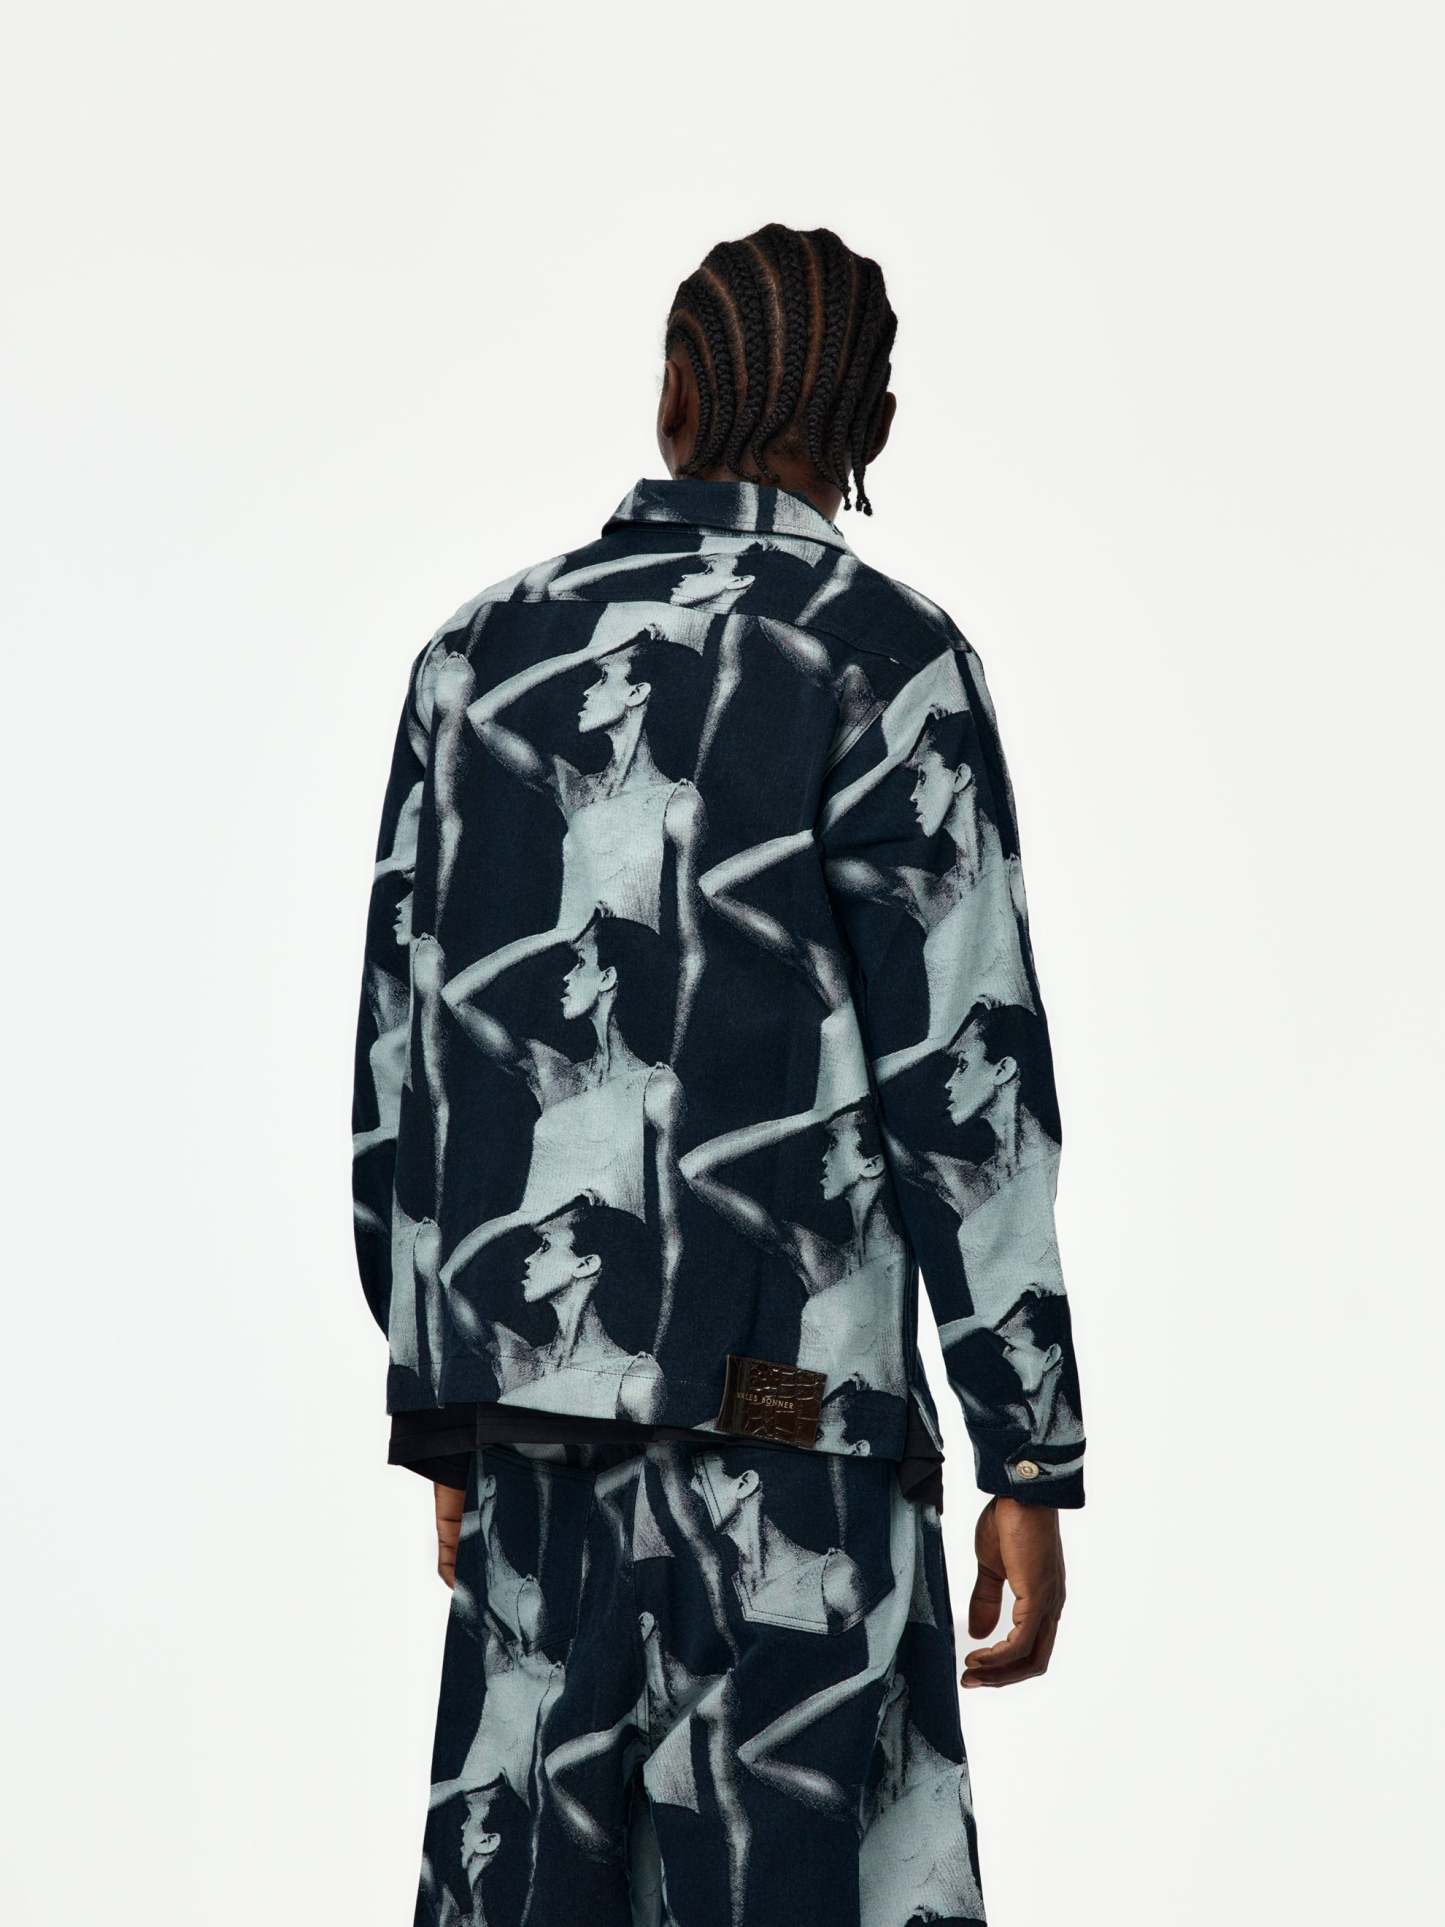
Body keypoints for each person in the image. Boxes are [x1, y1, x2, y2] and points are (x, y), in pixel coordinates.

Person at [349, 221, 1088, 1926]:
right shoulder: (882, 657)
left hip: (533, 1431)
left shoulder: (476, 657)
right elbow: (964, 1073)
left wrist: (446, 1404)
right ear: (869, 430)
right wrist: (1027, 1448)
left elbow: (402, 1053)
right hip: (795, 1440)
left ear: (671, 398)